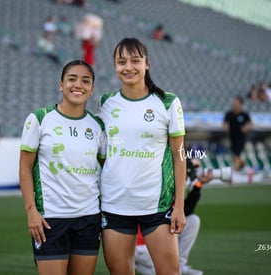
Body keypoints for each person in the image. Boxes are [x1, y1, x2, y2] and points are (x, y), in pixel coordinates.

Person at [97, 37, 187, 275]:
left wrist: (179, 205)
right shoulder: (106, 103)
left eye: (135, 61)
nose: (128, 67)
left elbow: (179, 156)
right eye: (121, 61)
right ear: (115, 66)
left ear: (146, 64)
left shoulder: (168, 102)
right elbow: (104, 156)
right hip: (115, 205)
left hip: (156, 207)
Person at [19, 60, 105, 275]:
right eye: (72, 79)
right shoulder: (40, 119)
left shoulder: (97, 126)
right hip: (50, 220)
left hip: (89, 218)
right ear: (61, 85)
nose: (78, 85)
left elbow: (108, 169)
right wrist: (31, 211)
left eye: (86, 81)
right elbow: (25, 168)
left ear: (92, 88)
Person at [135, 159, 214, 275]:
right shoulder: (164, 181)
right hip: (144, 245)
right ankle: (173, 267)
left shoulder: (161, 180)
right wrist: (189, 165)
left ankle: (178, 265)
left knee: (192, 220)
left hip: (143, 243)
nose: (187, 176)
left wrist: (198, 184)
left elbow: (185, 212)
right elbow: (174, 161)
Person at [223, 96, 253, 171]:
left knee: (236, 156)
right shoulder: (229, 114)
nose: (234, 104)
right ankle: (246, 166)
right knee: (236, 157)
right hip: (232, 138)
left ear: (240, 104)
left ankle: (233, 174)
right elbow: (225, 123)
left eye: (236, 103)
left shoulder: (244, 114)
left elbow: (251, 124)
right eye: (234, 103)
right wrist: (226, 128)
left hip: (241, 138)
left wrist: (246, 128)